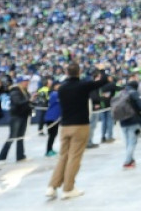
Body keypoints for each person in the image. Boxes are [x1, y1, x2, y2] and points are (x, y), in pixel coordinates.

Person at [45, 62, 108, 200]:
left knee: (63, 156)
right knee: (74, 157)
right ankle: (68, 188)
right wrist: (101, 69)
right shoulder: (83, 85)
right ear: (79, 72)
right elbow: (103, 80)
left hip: (65, 126)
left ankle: (52, 186)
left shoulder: (61, 88)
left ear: (67, 73)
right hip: (80, 125)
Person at [0, 75, 31, 164]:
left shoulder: (25, 91)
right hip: (16, 116)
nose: (27, 83)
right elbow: (17, 102)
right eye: (25, 81)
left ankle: (20, 156)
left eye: (27, 81)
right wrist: (29, 100)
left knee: (20, 137)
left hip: (23, 115)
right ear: (20, 82)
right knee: (12, 137)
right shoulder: (15, 90)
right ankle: (2, 158)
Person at [118, 79, 141, 169]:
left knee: (128, 142)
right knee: (132, 142)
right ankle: (127, 162)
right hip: (133, 120)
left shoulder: (121, 92)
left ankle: (130, 159)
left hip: (122, 121)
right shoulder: (134, 93)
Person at [44, 82, 61, 157]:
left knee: (54, 134)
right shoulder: (55, 94)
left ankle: (50, 149)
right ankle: (48, 150)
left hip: (56, 118)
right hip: (51, 117)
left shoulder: (56, 94)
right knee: (51, 135)